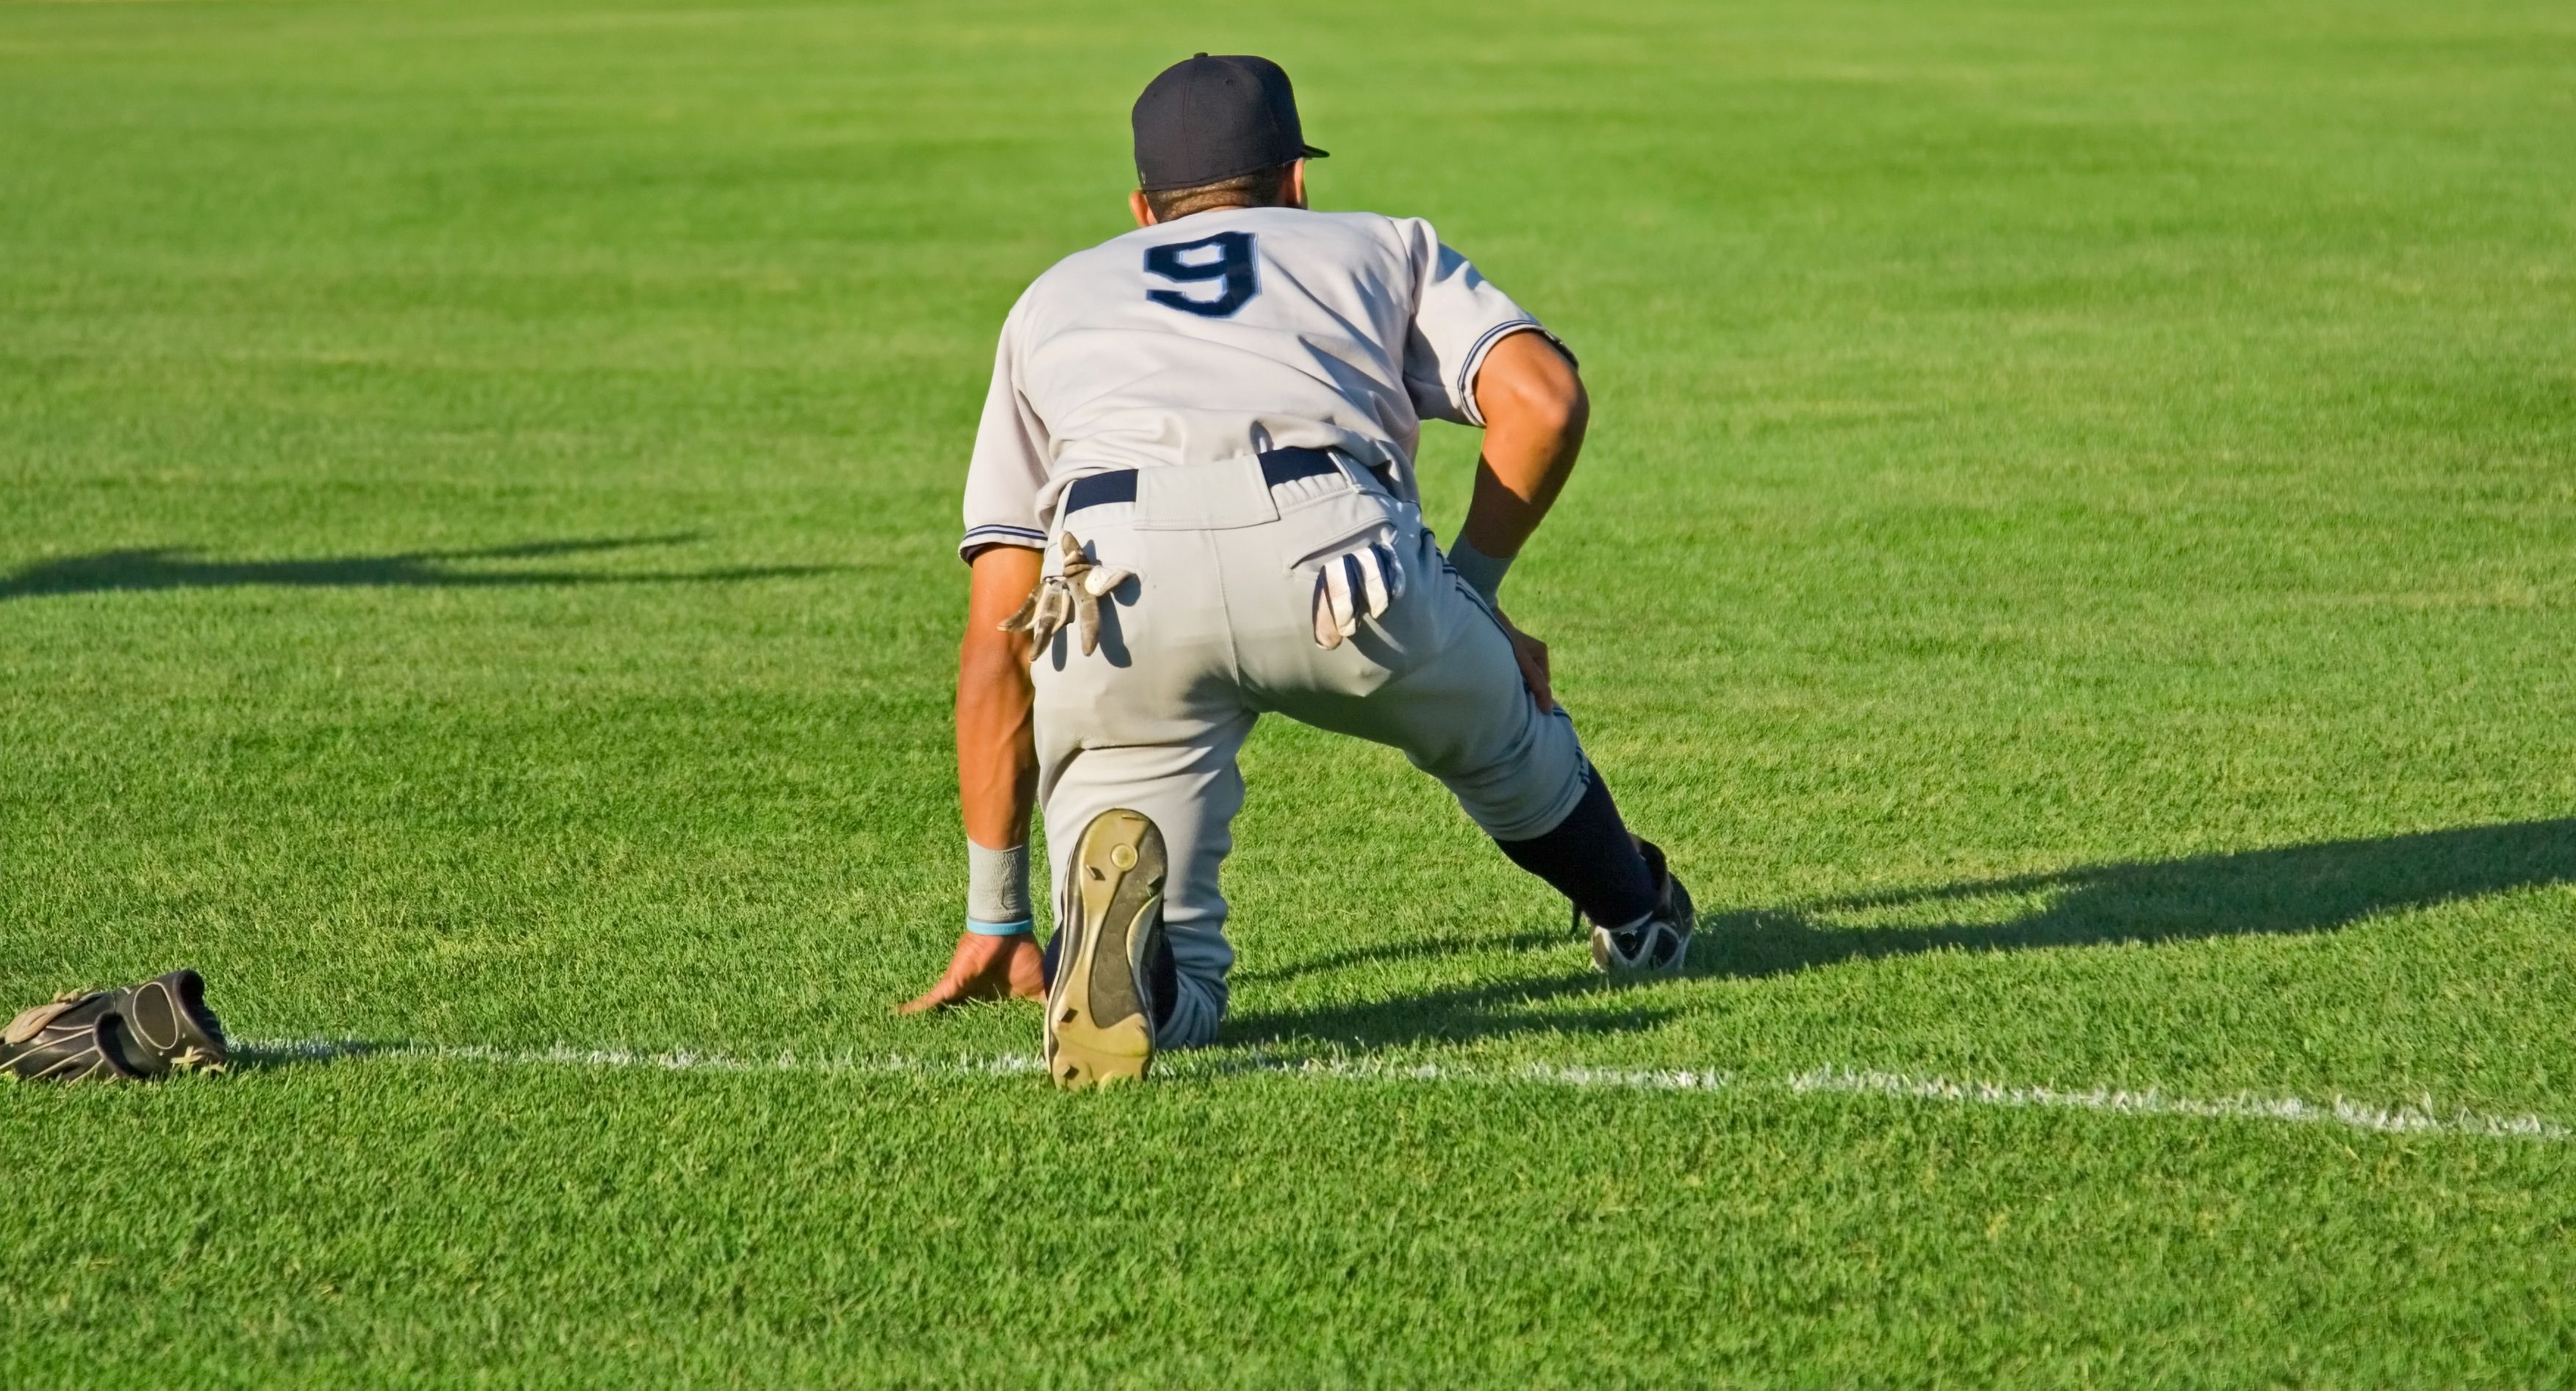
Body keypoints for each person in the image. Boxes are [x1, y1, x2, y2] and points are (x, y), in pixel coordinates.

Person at [900, 53, 1693, 1089]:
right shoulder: (1375, 245)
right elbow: (1543, 401)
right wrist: (1476, 593)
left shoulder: (1051, 299)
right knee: (1501, 739)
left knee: (1175, 967)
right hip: (1335, 551)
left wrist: (994, 911)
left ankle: (1140, 970)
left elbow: (996, 629)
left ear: (1144, 207)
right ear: (1296, 183)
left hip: (1112, 585)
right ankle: (1636, 916)